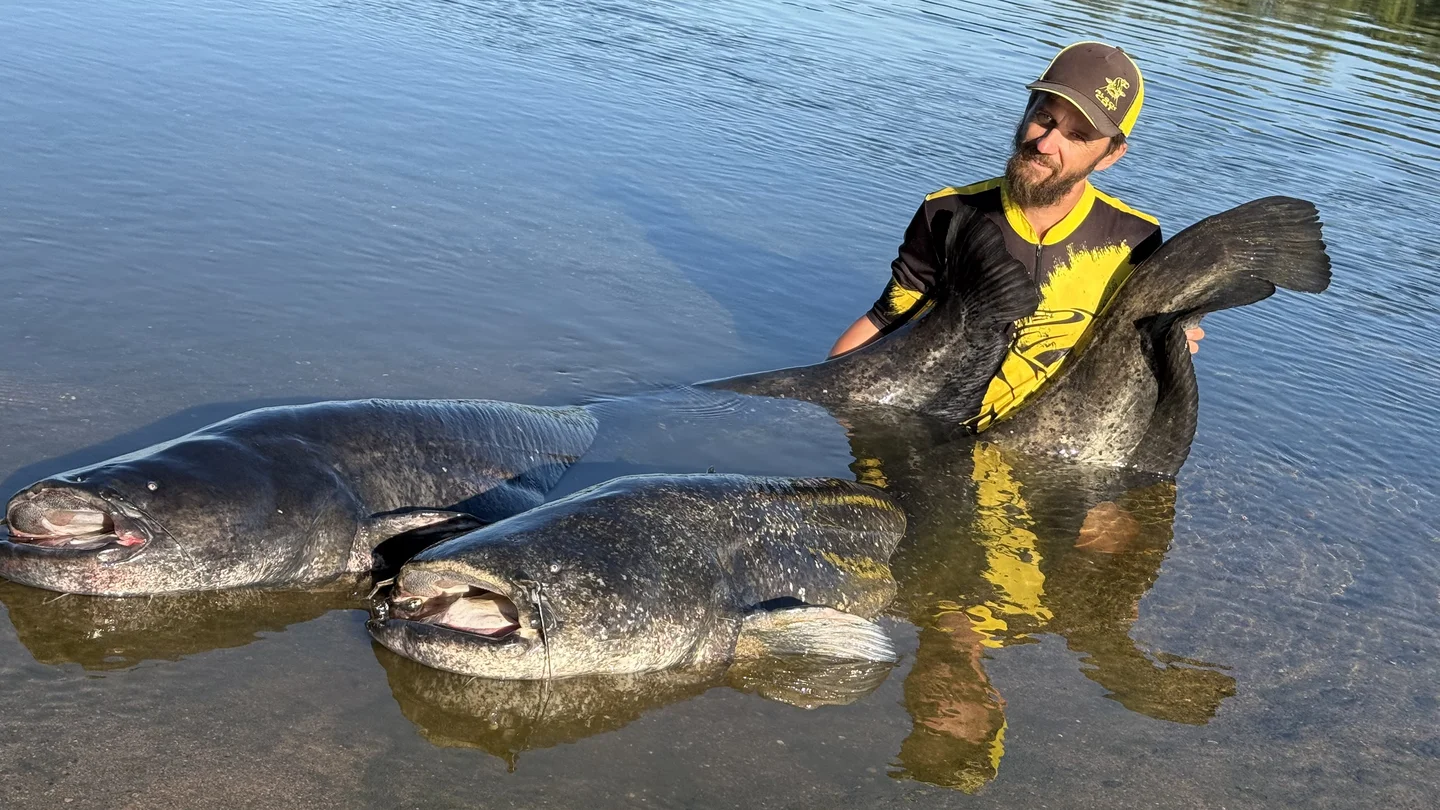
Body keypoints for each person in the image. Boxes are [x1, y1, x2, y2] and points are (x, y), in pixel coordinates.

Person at [830, 42, 1203, 431]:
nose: (1045, 144)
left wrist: (1172, 344)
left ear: (1110, 155)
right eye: (1044, 117)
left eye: (1077, 136)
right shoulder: (948, 212)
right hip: (933, 426)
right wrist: (826, 411)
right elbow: (884, 320)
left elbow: (1137, 351)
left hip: (1047, 440)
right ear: (1025, 111)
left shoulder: (1136, 238)